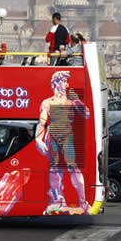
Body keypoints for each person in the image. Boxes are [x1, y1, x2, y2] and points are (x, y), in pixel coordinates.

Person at [35, 71, 91, 215]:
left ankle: (82, 201)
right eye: (63, 81)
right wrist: (38, 139)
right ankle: (58, 200)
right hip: (53, 136)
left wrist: (78, 101)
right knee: (54, 169)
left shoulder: (71, 101)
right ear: (56, 83)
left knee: (74, 168)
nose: (65, 84)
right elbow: (42, 122)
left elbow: (86, 114)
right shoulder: (48, 102)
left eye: (66, 81)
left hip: (67, 136)